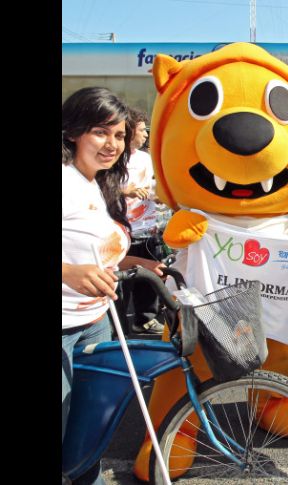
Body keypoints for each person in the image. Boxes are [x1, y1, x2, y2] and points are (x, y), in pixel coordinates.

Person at [62, 87, 165, 485]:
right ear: (73, 132)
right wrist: (69, 273)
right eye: (101, 132)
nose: (112, 144)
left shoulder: (96, 183)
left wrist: (139, 263)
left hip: (97, 323)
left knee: (91, 430)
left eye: (119, 135)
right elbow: (75, 263)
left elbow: (98, 252)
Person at [117, 108, 165, 335]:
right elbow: (100, 186)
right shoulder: (113, 157)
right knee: (120, 282)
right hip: (122, 230)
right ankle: (116, 328)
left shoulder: (146, 158)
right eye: (142, 131)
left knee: (150, 278)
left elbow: (154, 187)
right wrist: (125, 191)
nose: (146, 135)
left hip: (148, 228)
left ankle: (145, 320)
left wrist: (157, 195)